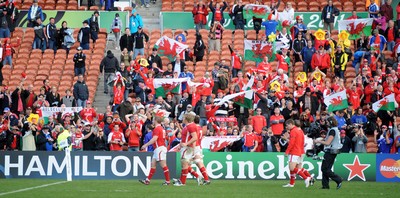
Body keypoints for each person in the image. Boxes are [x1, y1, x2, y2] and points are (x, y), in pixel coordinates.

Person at [139, 111, 171, 185]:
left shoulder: (157, 129)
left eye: (153, 120)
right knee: (153, 164)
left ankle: (168, 181)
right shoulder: (162, 128)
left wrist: (145, 145)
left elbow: (154, 139)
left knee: (164, 165)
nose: (152, 121)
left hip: (159, 148)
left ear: (156, 121)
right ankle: (147, 180)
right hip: (159, 148)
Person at [314, 116, 343, 189]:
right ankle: (325, 185)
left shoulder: (332, 130)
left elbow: (328, 143)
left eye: (327, 122)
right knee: (327, 168)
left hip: (330, 151)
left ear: (330, 122)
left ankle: (338, 179)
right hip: (333, 151)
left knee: (324, 169)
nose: (326, 123)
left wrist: (318, 141)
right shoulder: (335, 129)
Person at [283, 119, 313, 188]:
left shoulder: (293, 131)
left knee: (292, 168)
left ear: (291, 124)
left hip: (294, 151)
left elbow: (292, 143)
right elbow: (302, 141)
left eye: (287, 125)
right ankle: (292, 183)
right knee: (298, 168)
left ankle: (306, 178)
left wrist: (287, 151)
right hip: (300, 151)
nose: (286, 127)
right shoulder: (300, 130)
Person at [173, 113, 199, 186]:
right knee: (185, 164)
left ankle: (182, 182)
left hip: (187, 147)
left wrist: (186, 144)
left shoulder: (191, 126)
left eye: (184, 118)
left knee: (184, 163)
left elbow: (195, 137)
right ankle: (194, 176)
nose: (183, 119)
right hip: (185, 147)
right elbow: (185, 135)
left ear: (186, 119)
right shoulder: (188, 126)